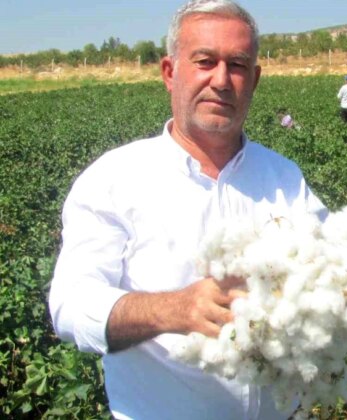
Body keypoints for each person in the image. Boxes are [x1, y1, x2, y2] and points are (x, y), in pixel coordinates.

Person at [48, 1, 326, 419]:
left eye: (236, 64)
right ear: (169, 72)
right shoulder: (114, 179)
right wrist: (175, 310)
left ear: (254, 79)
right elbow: (70, 307)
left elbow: (332, 276)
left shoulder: (285, 177)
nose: (221, 80)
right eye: (204, 61)